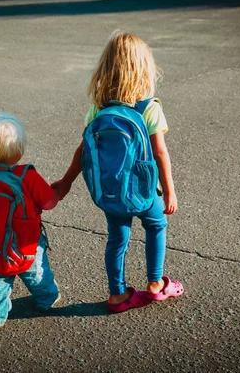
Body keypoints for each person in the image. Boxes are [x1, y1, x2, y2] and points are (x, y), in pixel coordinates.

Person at [52, 31, 184, 313]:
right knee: (156, 225)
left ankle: (117, 294)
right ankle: (155, 284)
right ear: (144, 68)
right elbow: (160, 153)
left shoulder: (99, 109)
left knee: (117, 239)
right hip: (145, 191)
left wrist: (66, 183)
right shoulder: (150, 107)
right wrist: (170, 191)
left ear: (107, 68)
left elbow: (83, 151)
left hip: (111, 190)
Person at [0, 112, 60, 329]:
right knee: (37, 274)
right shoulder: (26, 176)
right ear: (20, 149)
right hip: (25, 244)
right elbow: (49, 203)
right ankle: (47, 300)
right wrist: (56, 191)